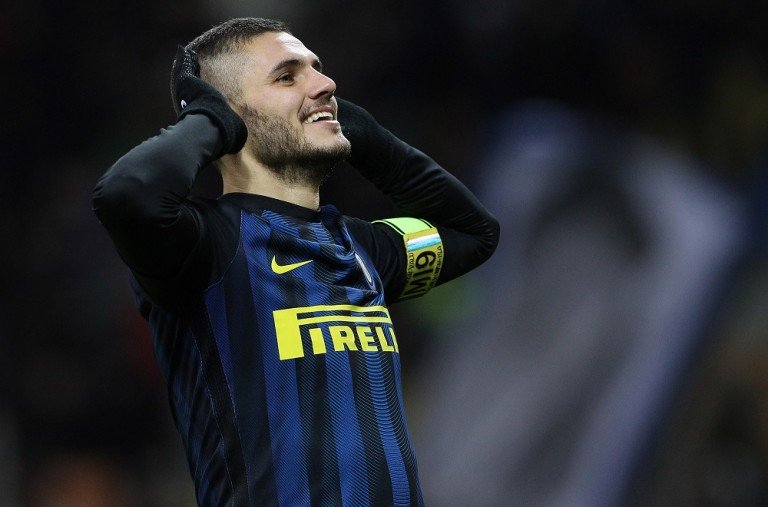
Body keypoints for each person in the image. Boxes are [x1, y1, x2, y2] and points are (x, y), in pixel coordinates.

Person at [92, 17, 498, 506]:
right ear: (225, 114)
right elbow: (127, 193)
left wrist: (363, 135)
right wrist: (211, 119)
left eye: (317, 69)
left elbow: (474, 233)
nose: (326, 84)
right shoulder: (203, 248)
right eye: (287, 77)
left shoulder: (362, 248)